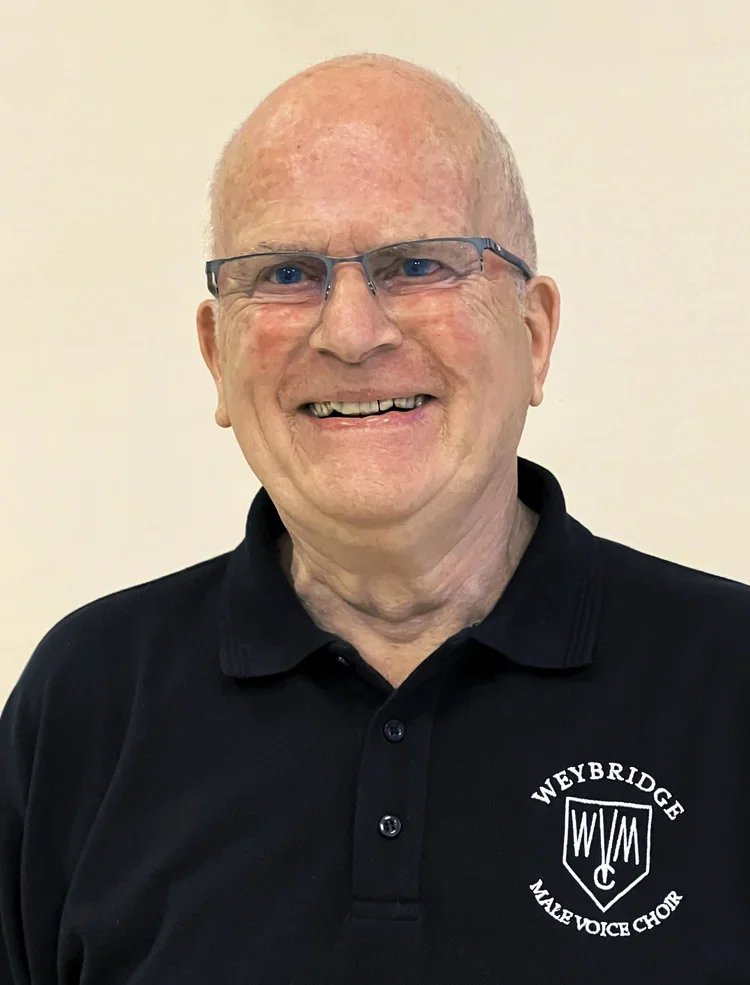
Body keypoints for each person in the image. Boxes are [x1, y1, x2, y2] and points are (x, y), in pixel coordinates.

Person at [1, 52, 748, 985]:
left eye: (417, 264)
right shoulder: (87, 700)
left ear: (534, 333)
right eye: (286, 273)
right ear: (217, 355)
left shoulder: (729, 677)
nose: (351, 333)